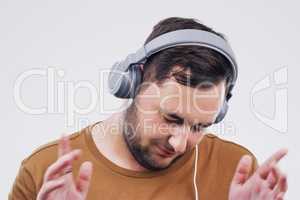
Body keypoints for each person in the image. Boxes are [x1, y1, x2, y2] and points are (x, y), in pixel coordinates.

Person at [9, 17, 288, 200]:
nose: (180, 144)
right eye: (171, 118)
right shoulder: (45, 173)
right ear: (134, 82)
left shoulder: (238, 172)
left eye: (200, 126)